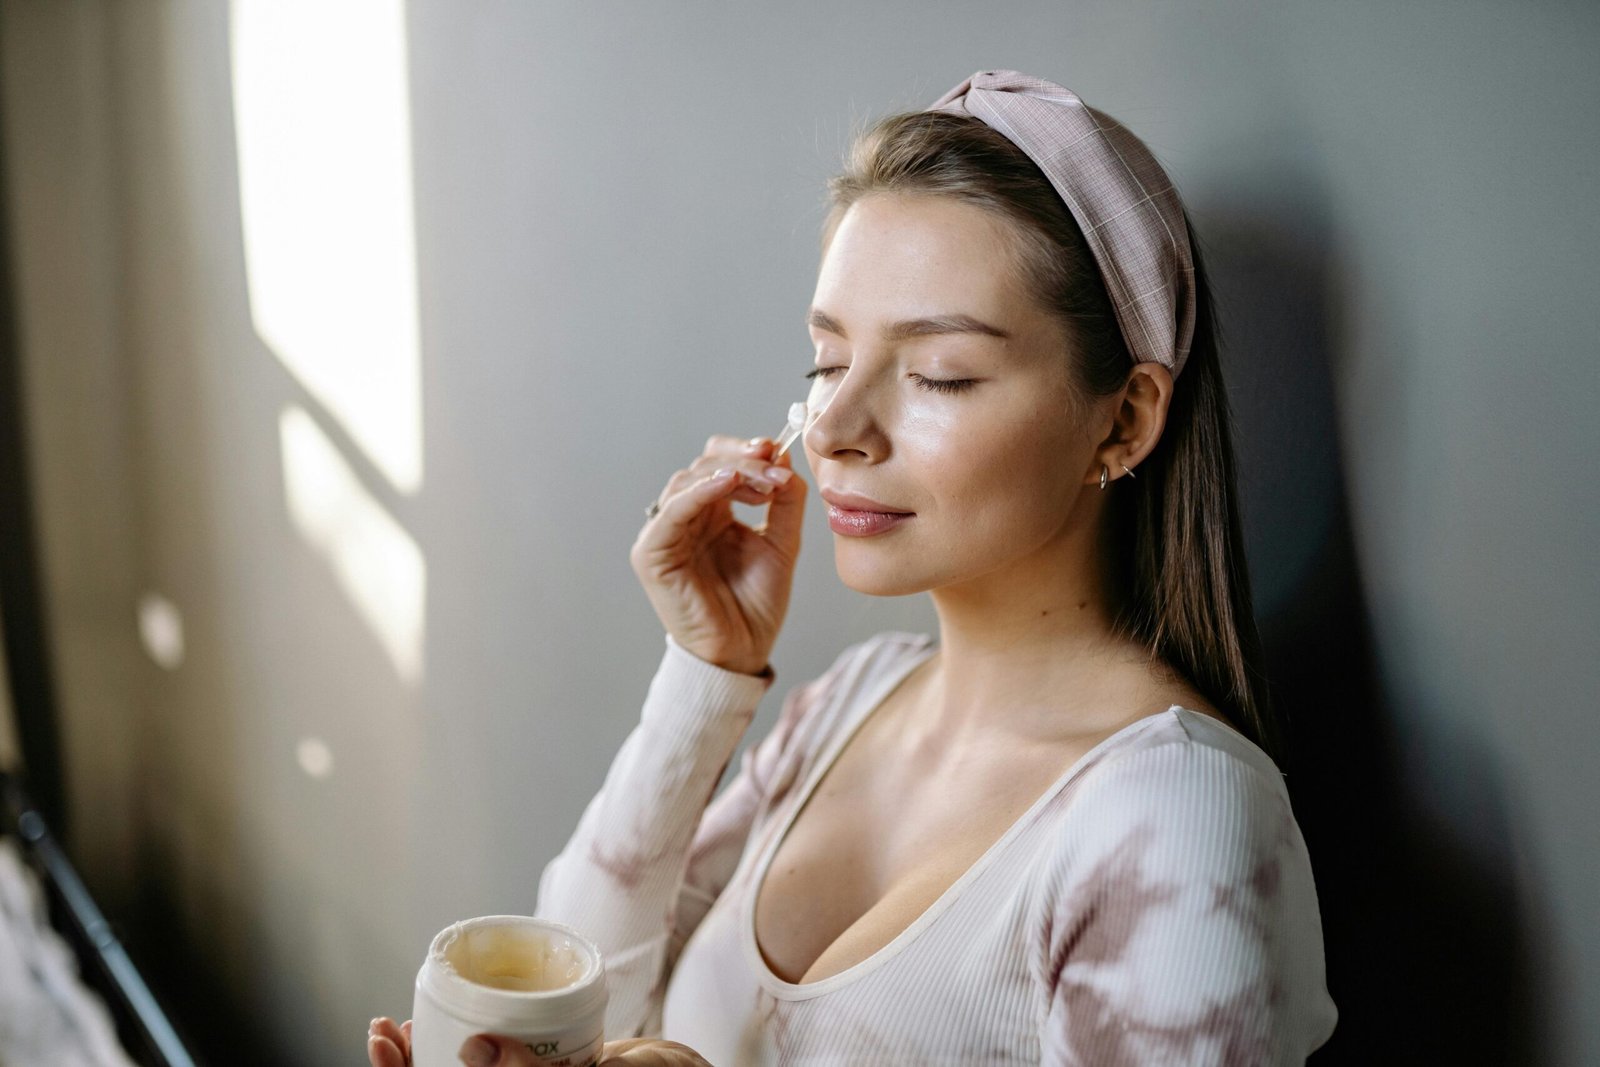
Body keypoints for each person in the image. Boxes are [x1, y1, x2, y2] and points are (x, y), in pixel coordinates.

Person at [369, 69, 1337, 1067]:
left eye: (936, 374)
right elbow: (587, 1001)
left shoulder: (1173, 818)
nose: (831, 428)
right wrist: (704, 674)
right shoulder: (853, 697)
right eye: (826, 363)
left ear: (1124, 417)